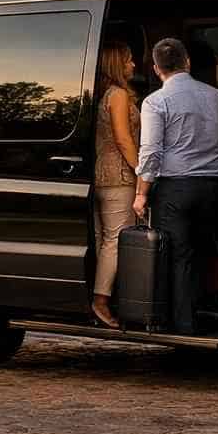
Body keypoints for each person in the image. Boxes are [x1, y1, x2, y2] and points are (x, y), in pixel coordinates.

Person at [132, 37, 218, 335]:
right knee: (205, 250)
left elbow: (150, 153)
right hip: (212, 186)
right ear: (187, 62)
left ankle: (185, 328)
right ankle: (211, 316)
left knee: (179, 257)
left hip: (174, 190)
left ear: (155, 69)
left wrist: (141, 194)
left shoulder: (155, 102)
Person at [91, 40, 141, 329]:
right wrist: (141, 171)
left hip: (102, 175)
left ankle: (105, 296)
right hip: (119, 176)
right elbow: (123, 139)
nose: (133, 64)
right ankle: (101, 301)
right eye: (129, 60)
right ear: (117, 65)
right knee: (116, 240)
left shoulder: (105, 93)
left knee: (104, 240)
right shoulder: (119, 95)